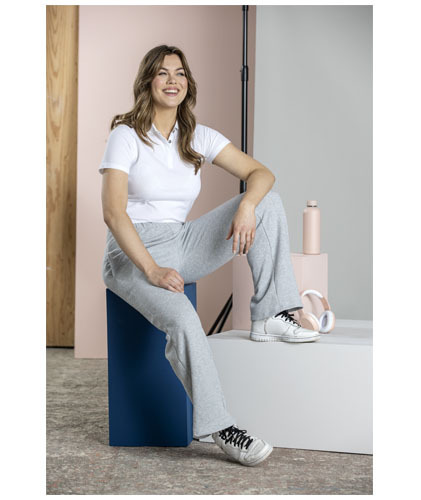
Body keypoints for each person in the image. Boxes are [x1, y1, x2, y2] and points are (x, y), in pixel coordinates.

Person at [99, 45, 319, 467]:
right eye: (163, 73)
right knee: (184, 318)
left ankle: (270, 314)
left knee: (268, 202)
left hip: (182, 240)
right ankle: (222, 428)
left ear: (188, 83)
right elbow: (113, 212)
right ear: (148, 81)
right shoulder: (126, 135)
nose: (172, 81)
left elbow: (262, 174)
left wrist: (247, 205)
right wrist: (151, 269)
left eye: (180, 73)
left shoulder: (197, 135)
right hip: (131, 252)